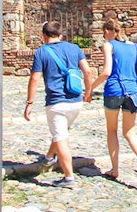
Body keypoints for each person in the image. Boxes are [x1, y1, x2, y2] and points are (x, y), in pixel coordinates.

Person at [24, 20, 92, 189]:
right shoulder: (75, 49)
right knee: (61, 131)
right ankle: (48, 157)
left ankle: (68, 177)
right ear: (60, 35)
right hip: (75, 102)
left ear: (44, 35)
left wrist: (29, 102)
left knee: (61, 138)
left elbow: (35, 78)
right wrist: (88, 92)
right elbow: (88, 71)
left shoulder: (41, 52)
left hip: (56, 102)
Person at [84, 18, 137, 185]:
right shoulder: (135, 47)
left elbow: (107, 71)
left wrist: (90, 88)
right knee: (130, 132)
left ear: (107, 32)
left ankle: (114, 170)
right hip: (133, 93)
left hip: (114, 90)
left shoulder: (109, 45)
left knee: (112, 130)